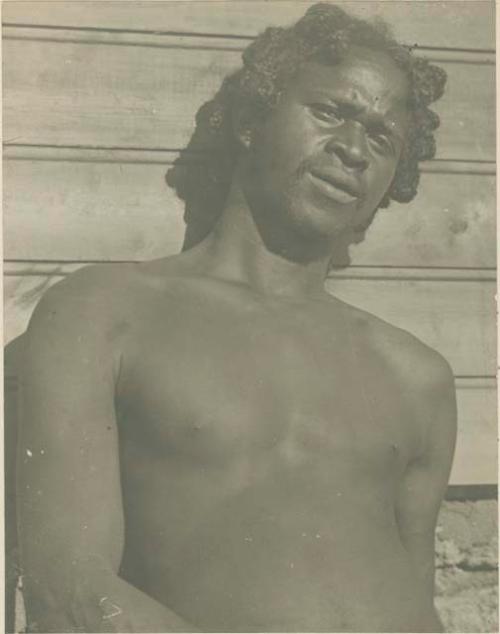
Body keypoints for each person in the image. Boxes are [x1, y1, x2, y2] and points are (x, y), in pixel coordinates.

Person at [17, 4, 457, 632]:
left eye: (382, 138)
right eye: (332, 112)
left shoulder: (419, 378)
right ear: (253, 118)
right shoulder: (109, 313)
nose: (354, 149)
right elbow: (69, 590)